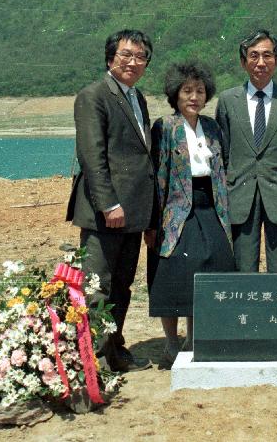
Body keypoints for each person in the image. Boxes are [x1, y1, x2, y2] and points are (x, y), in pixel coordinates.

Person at [66, 29, 156, 372]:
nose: (134, 62)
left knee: (122, 285)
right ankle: (95, 362)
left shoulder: (137, 98)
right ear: (110, 59)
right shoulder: (94, 96)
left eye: (141, 57)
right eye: (126, 55)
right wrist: (109, 204)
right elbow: (92, 156)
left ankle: (115, 349)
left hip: (132, 212)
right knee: (96, 286)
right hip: (106, 212)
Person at [149, 63, 235, 364]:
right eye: (187, 91)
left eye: (199, 91)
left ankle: (194, 337)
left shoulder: (211, 126)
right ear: (176, 94)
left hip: (210, 206)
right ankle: (171, 342)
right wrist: (154, 222)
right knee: (174, 272)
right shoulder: (165, 126)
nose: (194, 97)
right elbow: (159, 176)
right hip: (175, 211)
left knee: (210, 268)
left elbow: (221, 170)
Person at [215, 29, 277, 273]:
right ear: (243, 62)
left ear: (276, 61)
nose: (261, 62)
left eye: (267, 56)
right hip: (240, 197)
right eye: (254, 56)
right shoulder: (228, 100)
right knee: (242, 269)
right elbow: (222, 154)